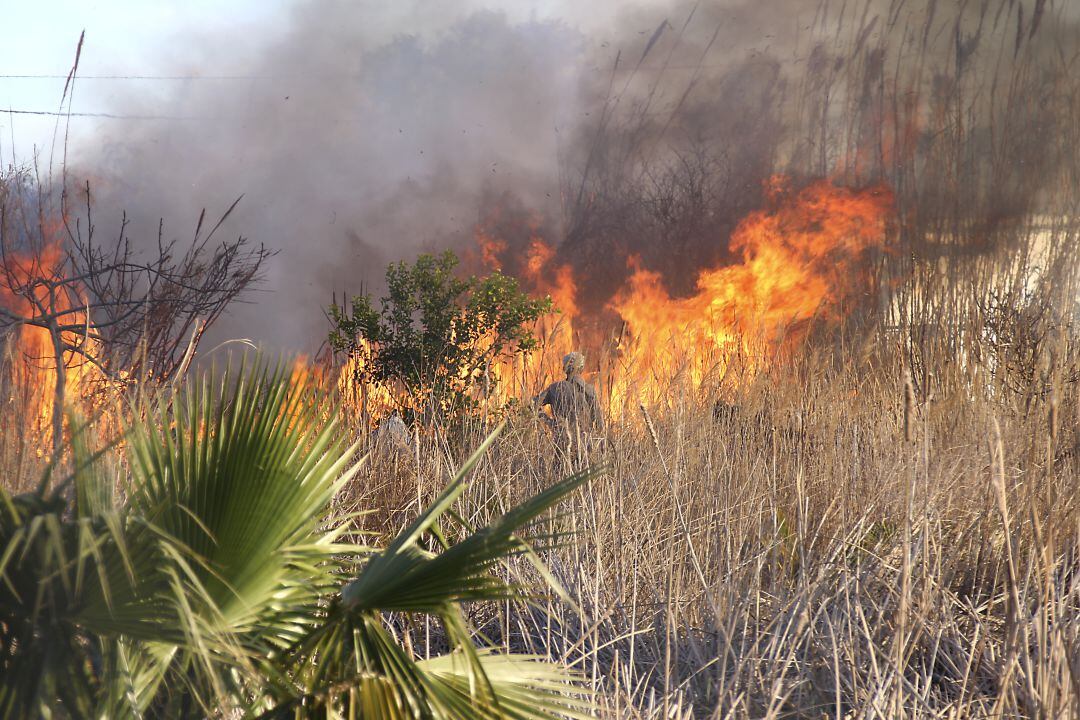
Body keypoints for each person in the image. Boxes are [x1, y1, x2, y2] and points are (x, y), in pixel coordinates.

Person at [535, 351, 604, 455]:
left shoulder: (555, 388)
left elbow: (532, 405)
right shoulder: (590, 390)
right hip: (586, 446)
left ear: (564, 369)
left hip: (562, 442)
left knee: (560, 470)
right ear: (581, 369)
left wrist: (549, 422)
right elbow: (600, 423)